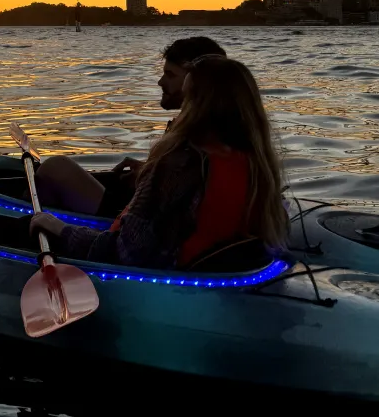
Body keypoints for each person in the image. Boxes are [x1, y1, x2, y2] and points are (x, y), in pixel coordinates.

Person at [30, 54, 288, 268]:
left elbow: (130, 255)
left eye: (186, 97)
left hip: (168, 277)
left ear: (198, 105)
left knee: (14, 227)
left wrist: (62, 230)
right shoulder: (258, 164)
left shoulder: (177, 164)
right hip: (212, 271)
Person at [33, 36, 227, 218]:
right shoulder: (208, 128)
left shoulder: (200, 137)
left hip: (133, 219)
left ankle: (36, 223)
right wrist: (146, 170)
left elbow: (175, 195)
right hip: (137, 205)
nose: (160, 81)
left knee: (55, 167)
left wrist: (148, 176)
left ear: (195, 82)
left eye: (170, 75)